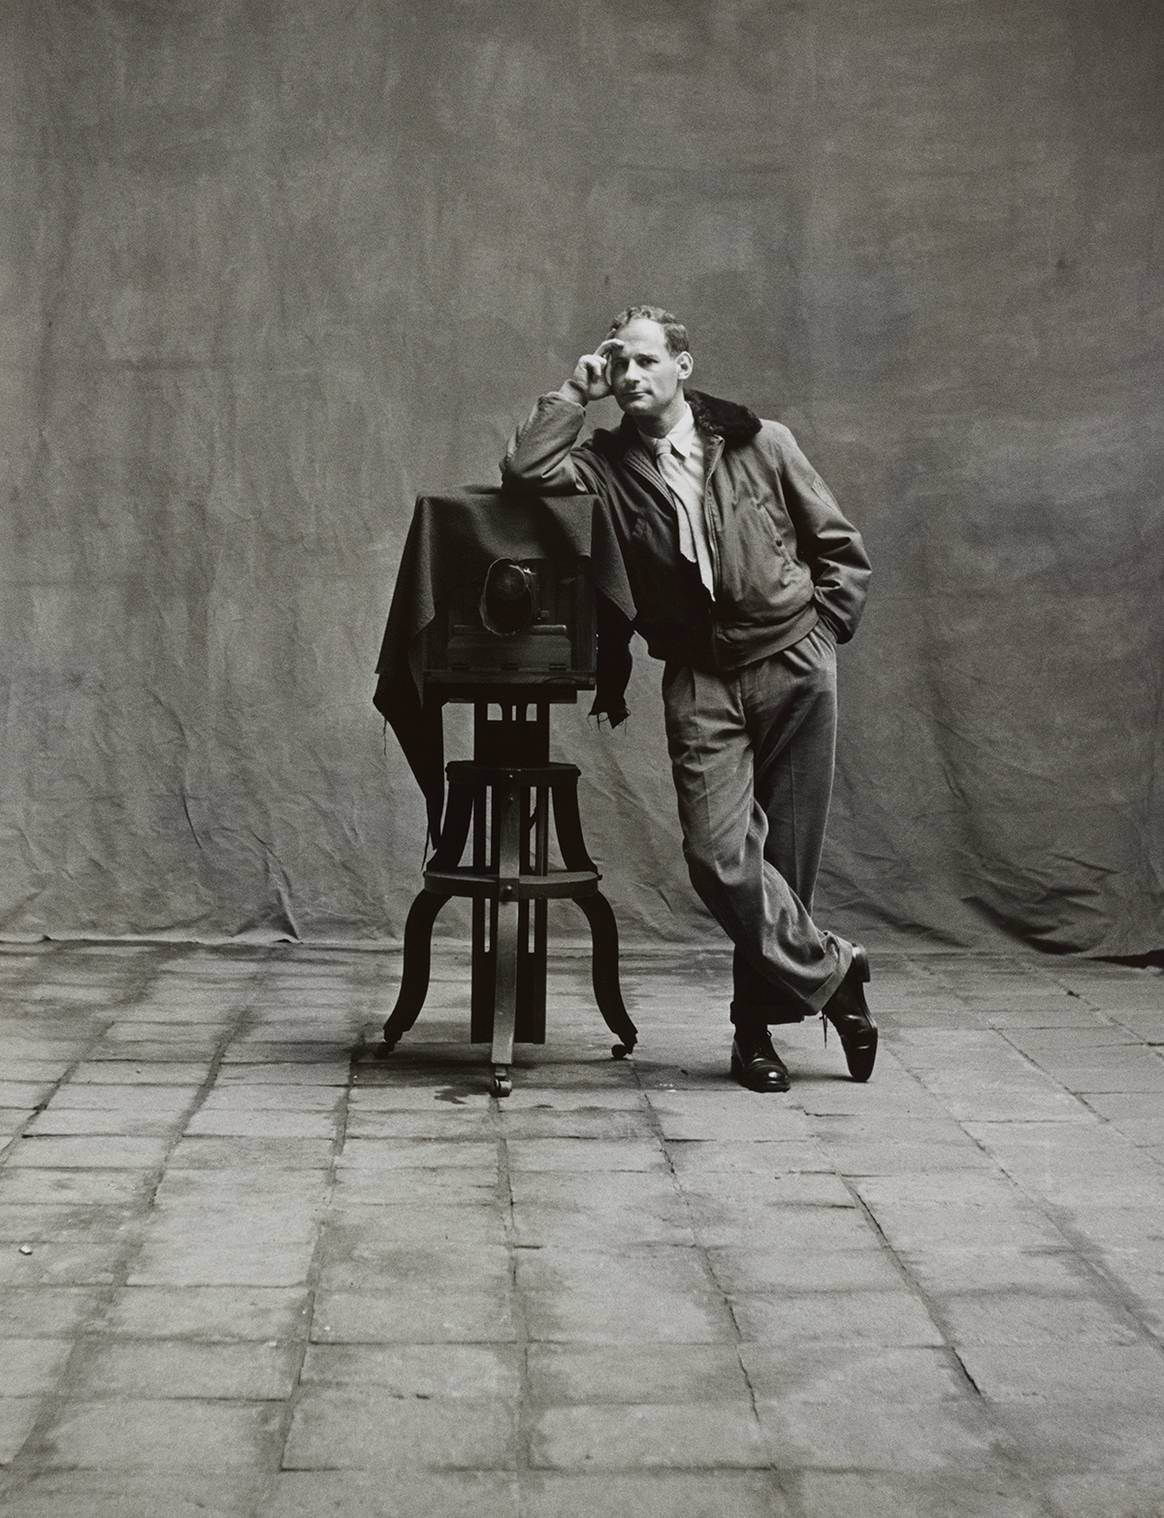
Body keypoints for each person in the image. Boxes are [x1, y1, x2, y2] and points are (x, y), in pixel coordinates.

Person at [500, 305, 875, 1093]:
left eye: (644, 361)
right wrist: (575, 388)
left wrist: (823, 631)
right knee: (718, 856)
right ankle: (837, 975)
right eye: (618, 364)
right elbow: (528, 470)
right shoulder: (603, 467)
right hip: (702, 677)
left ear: (683, 365)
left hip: (793, 665)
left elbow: (836, 545)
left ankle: (754, 1039)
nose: (630, 376)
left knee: (783, 868)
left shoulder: (761, 442)